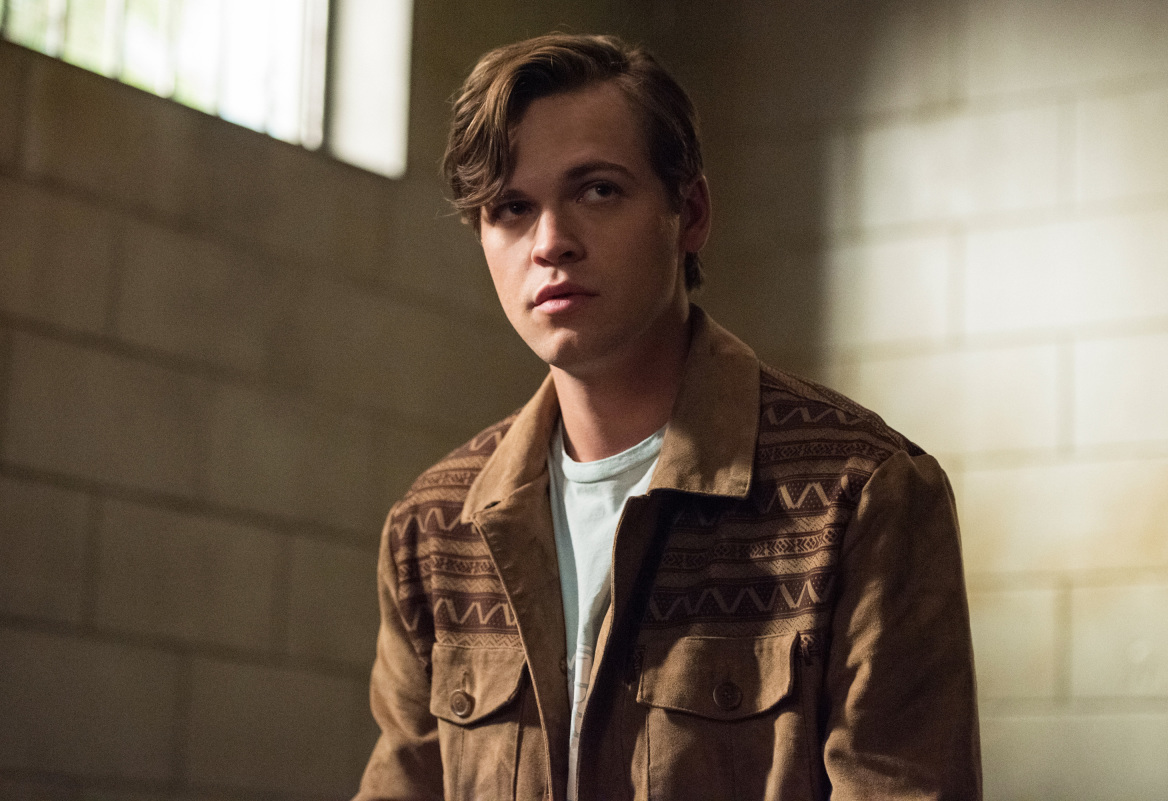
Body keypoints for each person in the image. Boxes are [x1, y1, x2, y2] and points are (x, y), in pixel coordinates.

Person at [354, 32, 981, 801]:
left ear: (690, 213)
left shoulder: (859, 494)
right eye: (512, 208)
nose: (550, 243)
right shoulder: (434, 528)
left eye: (597, 191)